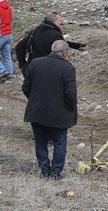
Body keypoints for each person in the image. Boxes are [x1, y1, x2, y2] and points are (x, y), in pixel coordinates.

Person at [22, 39, 78, 179]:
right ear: (64, 52)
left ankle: (44, 171)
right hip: (59, 113)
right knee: (59, 142)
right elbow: (70, 93)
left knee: (40, 141)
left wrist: (34, 100)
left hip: (37, 110)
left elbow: (26, 87)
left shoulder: (35, 63)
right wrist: (71, 108)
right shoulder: (67, 68)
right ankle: (55, 172)